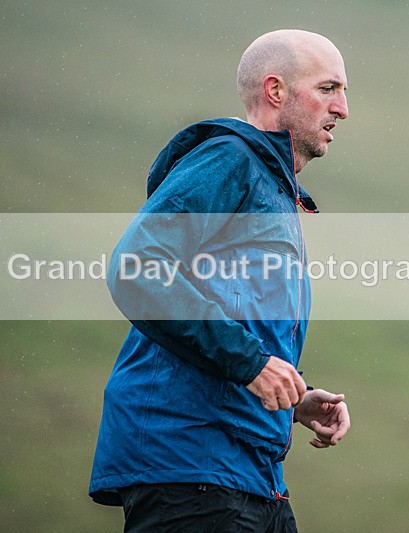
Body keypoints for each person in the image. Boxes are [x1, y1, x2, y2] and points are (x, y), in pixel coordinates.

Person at [89, 29, 351, 532]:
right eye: (327, 88)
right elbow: (137, 266)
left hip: (250, 475)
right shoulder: (230, 159)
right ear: (276, 91)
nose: (343, 108)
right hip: (194, 471)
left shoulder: (273, 188)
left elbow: (237, 318)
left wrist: (294, 396)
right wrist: (251, 364)